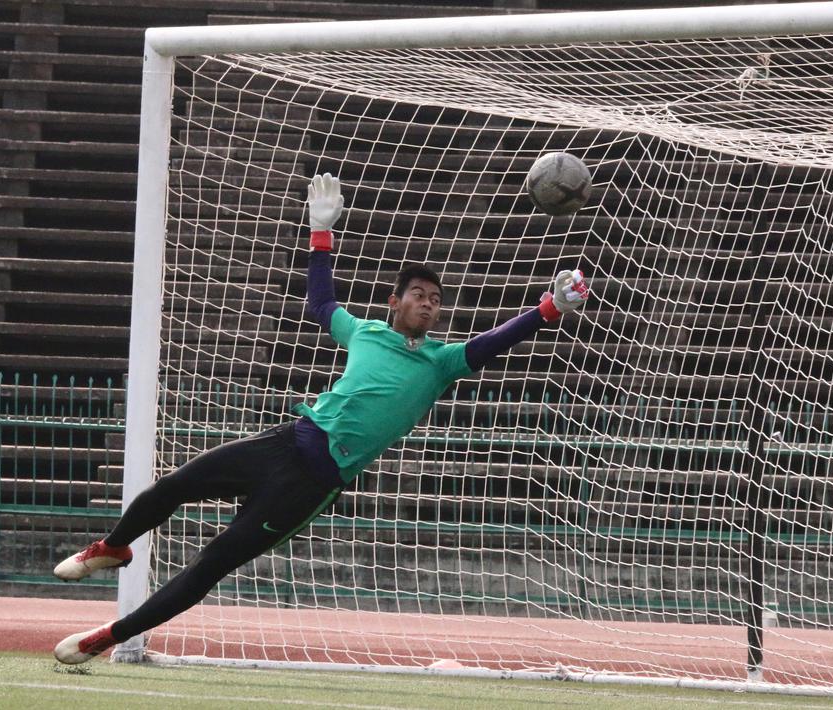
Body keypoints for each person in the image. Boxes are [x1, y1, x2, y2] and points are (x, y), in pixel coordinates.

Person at [52, 173, 590, 664]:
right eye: (419, 295)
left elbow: (493, 342)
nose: (428, 305)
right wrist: (320, 233)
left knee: (211, 564)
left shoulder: (442, 361)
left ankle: (110, 636)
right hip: (286, 441)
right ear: (395, 301)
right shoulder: (366, 332)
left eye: (436, 300)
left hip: (312, 483)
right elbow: (320, 301)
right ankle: (115, 546)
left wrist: (546, 309)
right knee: (174, 485)